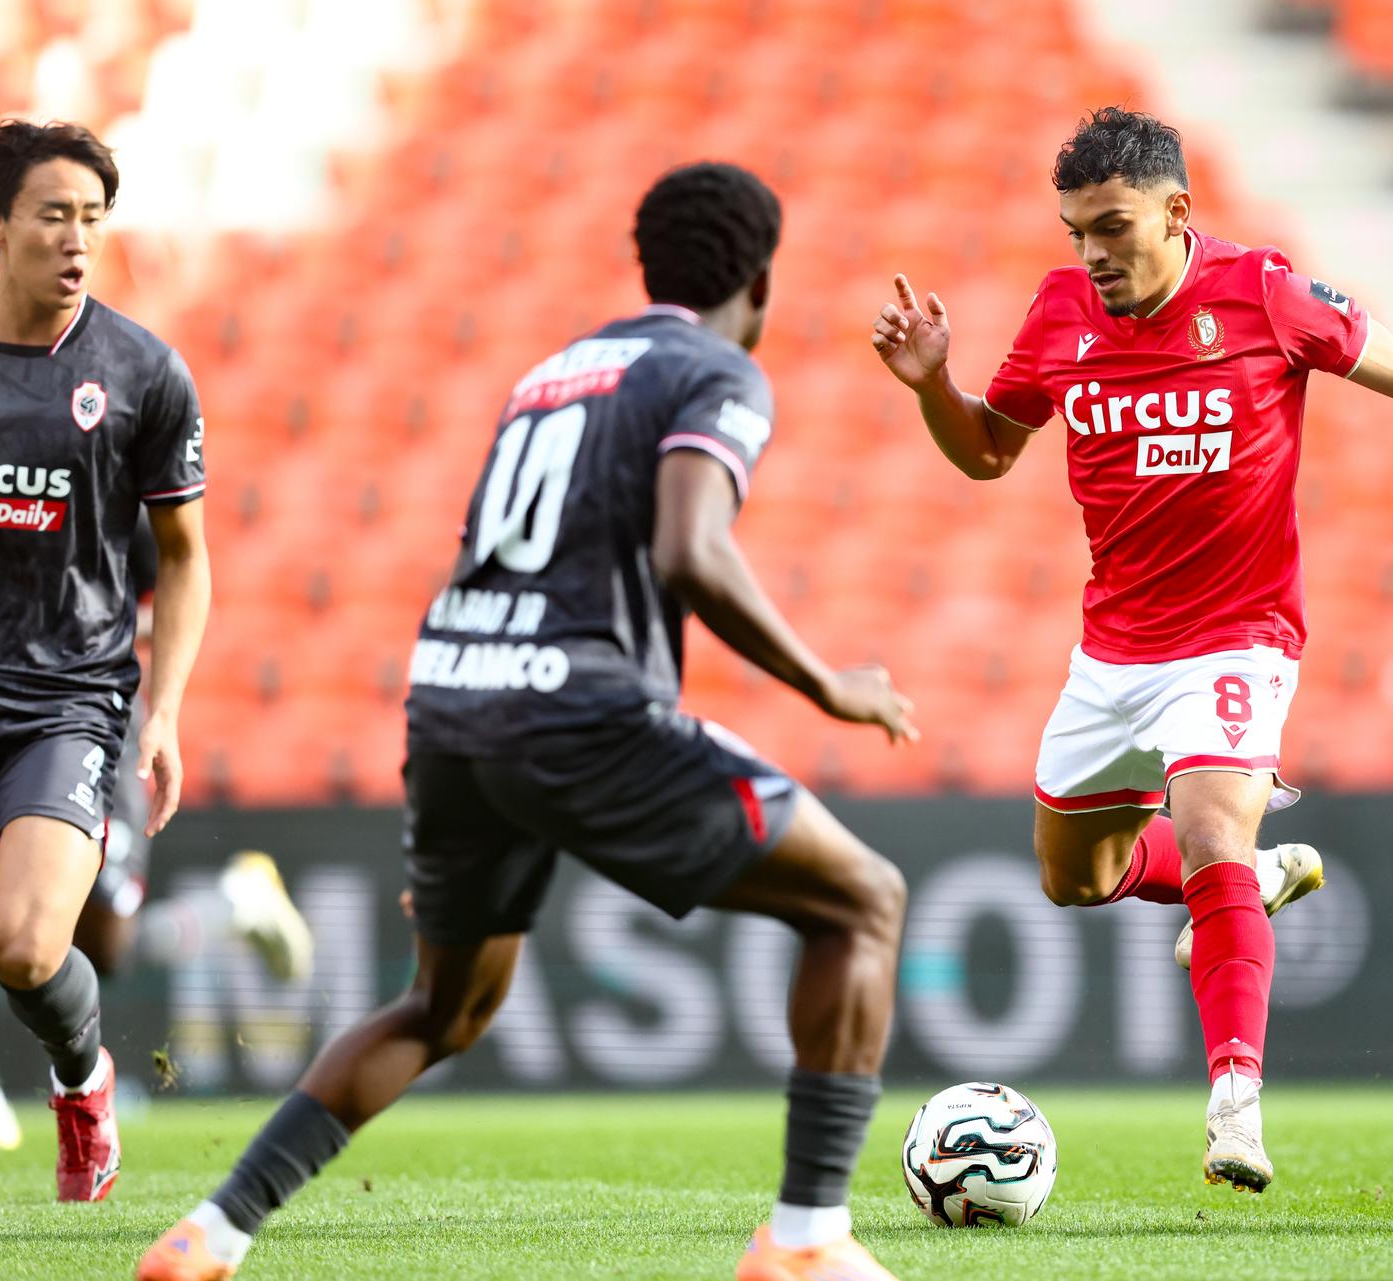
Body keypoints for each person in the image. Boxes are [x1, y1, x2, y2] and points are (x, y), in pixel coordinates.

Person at [138, 161, 914, 1281]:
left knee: (443, 1007)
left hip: (453, 703)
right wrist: (828, 684)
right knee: (864, 902)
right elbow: (689, 551)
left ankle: (210, 1235)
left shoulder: (551, 375)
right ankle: (804, 1243)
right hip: (578, 709)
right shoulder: (718, 372)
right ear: (762, 282)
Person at [870, 107, 1393, 1193]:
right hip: (1113, 652)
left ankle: (1236, 1108)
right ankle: (1251, 882)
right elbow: (987, 452)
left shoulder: (1265, 294)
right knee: (1079, 879)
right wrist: (935, 383)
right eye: (1076, 230)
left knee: (1208, 825)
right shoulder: (1062, 312)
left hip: (1237, 637)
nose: (1093, 253)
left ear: (1176, 212)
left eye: (1112, 226)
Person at [0, 119, 212, 1207]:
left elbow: (188, 557)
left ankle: (83, 1078)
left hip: (70, 704)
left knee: (20, 943)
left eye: (93, 220)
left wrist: (165, 714)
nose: (78, 241)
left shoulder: (143, 374)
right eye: (54, 216)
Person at [0, 523, 310, 1152]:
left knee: (101, 947)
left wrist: (70, 631)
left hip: (80, 716)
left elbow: (173, 584)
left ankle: (233, 904)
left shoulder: (103, 474)